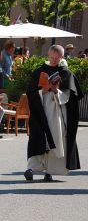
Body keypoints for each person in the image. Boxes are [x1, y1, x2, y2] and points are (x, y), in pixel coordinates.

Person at [24, 44, 83, 182]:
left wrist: (56, 90)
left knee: (56, 139)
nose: (54, 60)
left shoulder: (66, 73)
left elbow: (71, 97)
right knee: (37, 137)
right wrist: (43, 90)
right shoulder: (39, 71)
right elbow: (31, 92)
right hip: (41, 111)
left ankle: (50, 171)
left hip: (57, 112)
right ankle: (31, 168)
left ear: (61, 57)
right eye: (52, 57)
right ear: (48, 56)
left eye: (57, 58)